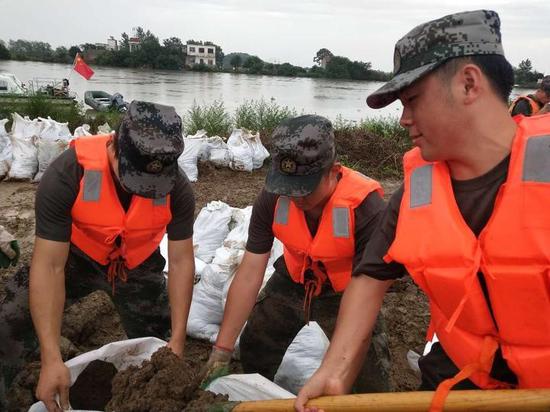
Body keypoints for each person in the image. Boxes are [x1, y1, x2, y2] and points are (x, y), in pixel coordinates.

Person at [296, 10, 550, 412]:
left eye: (412, 100)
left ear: (469, 84)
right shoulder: (416, 193)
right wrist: (337, 369)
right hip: (461, 382)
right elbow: (369, 277)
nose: (403, 119)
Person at [0, 101, 196, 411]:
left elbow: (183, 260)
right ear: (115, 147)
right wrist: (51, 358)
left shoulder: (178, 188)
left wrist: (179, 340)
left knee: (160, 350)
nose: (145, 190)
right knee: (9, 321)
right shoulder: (68, 173)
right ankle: (12, 399)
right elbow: (49, 266)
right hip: (76, 257)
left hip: (138, 264)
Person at [201, 114, 391, 393]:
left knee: (368, 379)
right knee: (256, 342)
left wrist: (336, 380)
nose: (297, 198)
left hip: (348, 290)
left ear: (333, 170)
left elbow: (366, 296)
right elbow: (251, 272)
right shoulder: (272, 197)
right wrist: (222, 349)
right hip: (293, 278)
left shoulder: (368, 210)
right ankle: (264, 396)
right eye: (289, 188)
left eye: (306, 188)